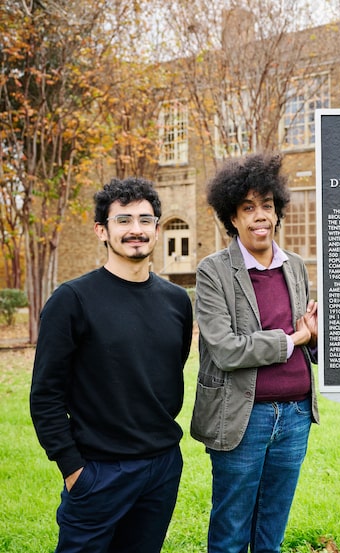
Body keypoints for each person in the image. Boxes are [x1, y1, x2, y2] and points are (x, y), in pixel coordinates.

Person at [29, 177, 193, 553]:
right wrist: (73, 469)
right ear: (102, 230)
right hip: (98, 470)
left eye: (145, 219)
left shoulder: (176, 301)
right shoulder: (71, 300)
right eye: (123, 220)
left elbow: (169, 369)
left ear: (156, 227)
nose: (136, 229)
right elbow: (45, 395)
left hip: (162, 466)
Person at [191, 152, 319, 553]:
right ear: (233, 217)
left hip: (296, 416)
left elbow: (307, 335)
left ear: (277, 211)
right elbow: (227, 350)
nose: (259, 216)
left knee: (271, 535)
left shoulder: (294, 266)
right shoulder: (213, 271)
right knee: (230, 537)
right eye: (248, 208)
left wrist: (312, 337)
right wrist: (293, 340)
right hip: (242, 419)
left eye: (267, 206)